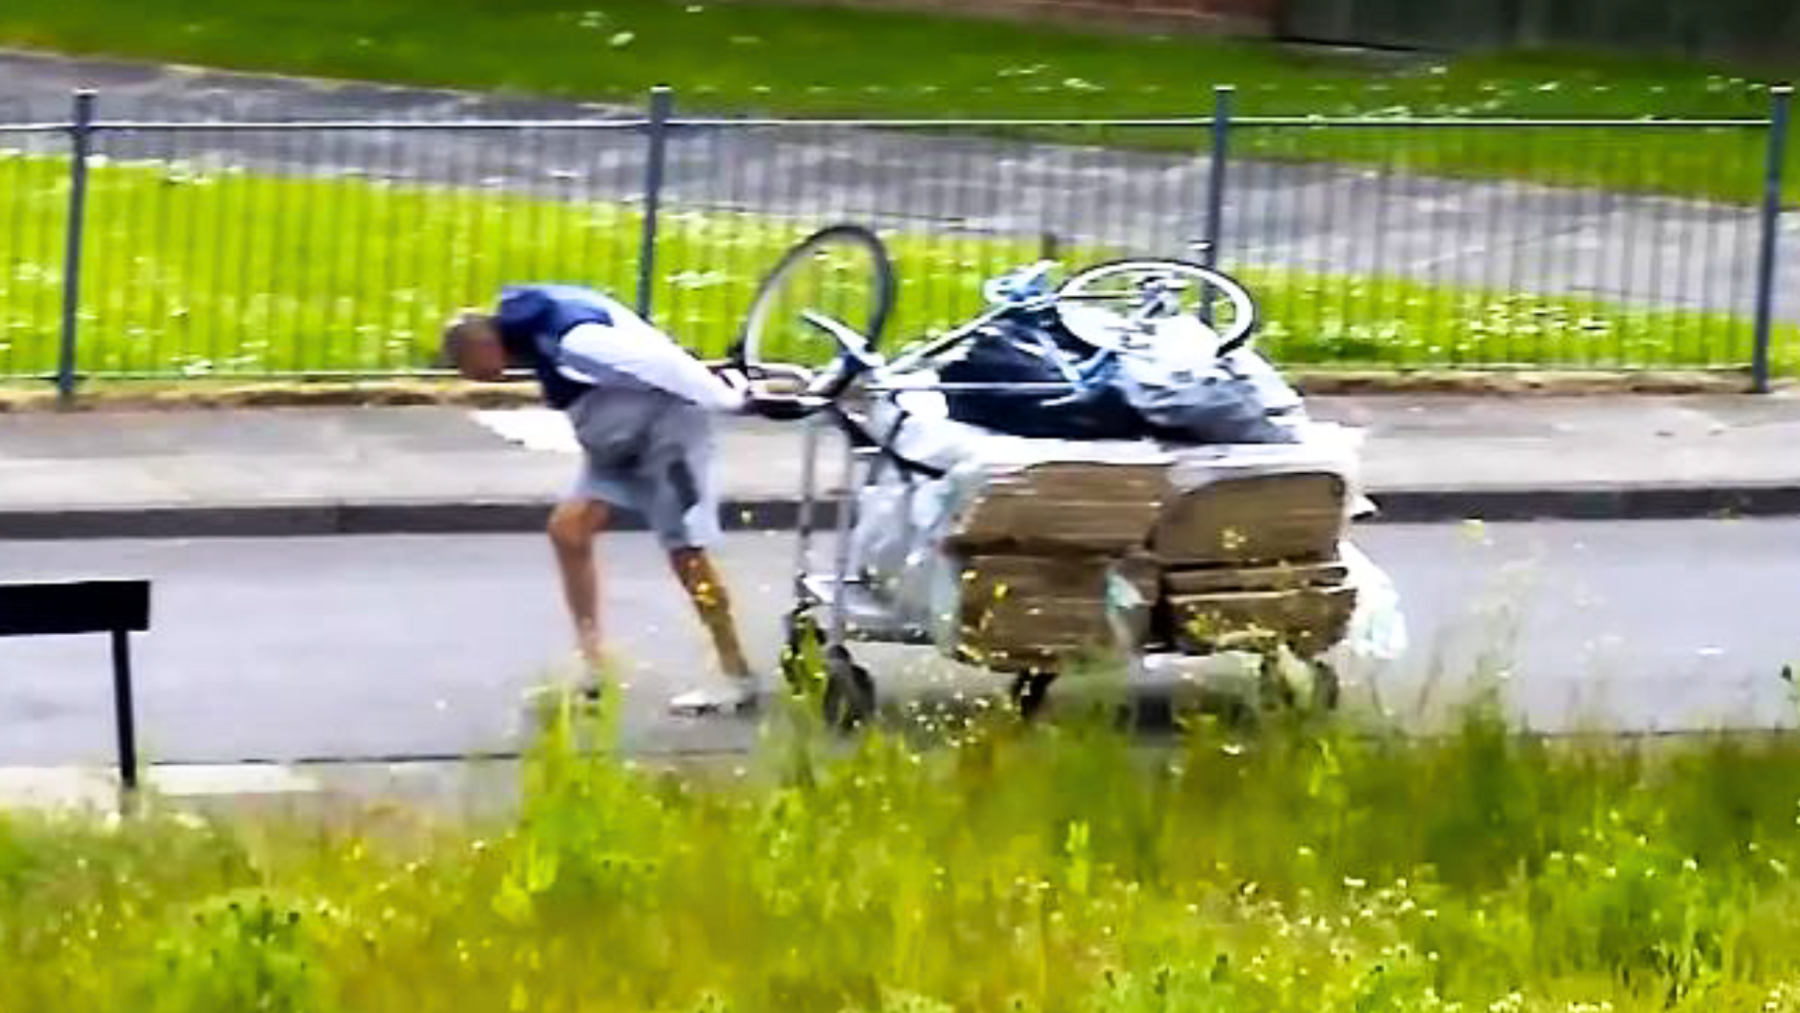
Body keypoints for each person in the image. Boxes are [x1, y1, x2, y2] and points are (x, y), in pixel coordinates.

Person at [442, 283, 777, 715]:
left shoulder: (572, 338)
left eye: (468, 366)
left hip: (666, 439)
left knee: (687, 554)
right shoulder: (532, 330)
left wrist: (728, 398)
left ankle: (737, 675)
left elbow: (662, 364)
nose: (472, 378)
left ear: (486, 344)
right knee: (569, 531)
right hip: (616, 448)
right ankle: (595, 666)